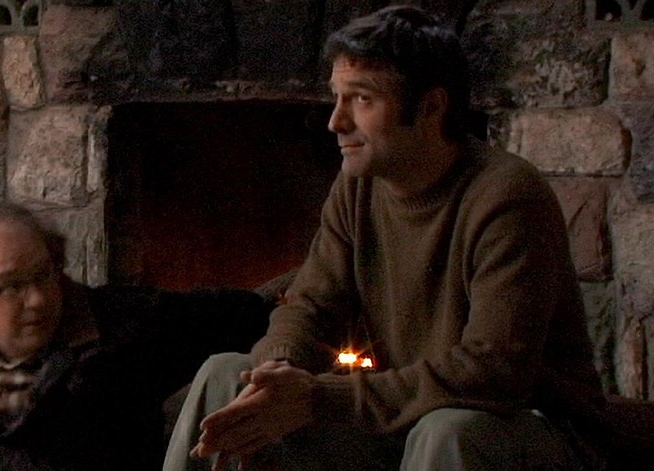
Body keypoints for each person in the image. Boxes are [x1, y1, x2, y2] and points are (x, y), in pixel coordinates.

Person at [163, 5, 608, 471]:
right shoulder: (358, 186)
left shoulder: (507, 195)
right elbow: (310, 306)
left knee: (448, 431)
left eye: (362, 99)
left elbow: (494, 372)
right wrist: (277, 371)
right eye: (337, 97)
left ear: (432, 106)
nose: (336, 121)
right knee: (227, 374)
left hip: (532, 429)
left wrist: (316, 397)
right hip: (412, 418)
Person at [0, 202, 273, 470]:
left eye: (44, 274)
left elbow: (249, 312)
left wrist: (294, 316)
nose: (37, 299)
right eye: (11, 286)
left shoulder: (126, 324)